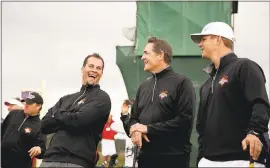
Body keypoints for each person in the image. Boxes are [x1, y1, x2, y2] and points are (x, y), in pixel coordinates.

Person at [190, 22, 270, 167]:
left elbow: (260, 104)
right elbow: (201, 126)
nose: (200, 44)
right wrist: (201, 158)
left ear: (218, 39)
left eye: (204, 39)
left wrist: (254, 132)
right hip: (208, 161)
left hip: (242, 159)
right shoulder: (207, 84)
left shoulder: (244, 66)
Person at [128, 37, 196, 168]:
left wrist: (148, 129)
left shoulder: (182, 83)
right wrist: (135, 130)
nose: (142, 57)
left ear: (160, 55)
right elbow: (133, 119)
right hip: (145, 159)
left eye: (146, 53)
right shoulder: (143, 87)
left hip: (173, 159)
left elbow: (184, 121)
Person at [40, 53, 111, 168]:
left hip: (76, 162)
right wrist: (69, 116)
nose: (94, 70)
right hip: (49, 160)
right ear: (83, 69)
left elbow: (79, 121)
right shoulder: (66, 99)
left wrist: (58, 114)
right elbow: (44, 125)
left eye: (98, 68)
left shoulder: (102, 98)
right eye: (91, 66)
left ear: (101, 73)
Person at [1, 92, 46, 168]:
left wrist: (39, 149)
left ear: (38, 106)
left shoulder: (40, 126)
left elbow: (42, 149)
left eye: (30, 103)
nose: (26, 105)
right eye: (26, 102)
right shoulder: (13, 114)